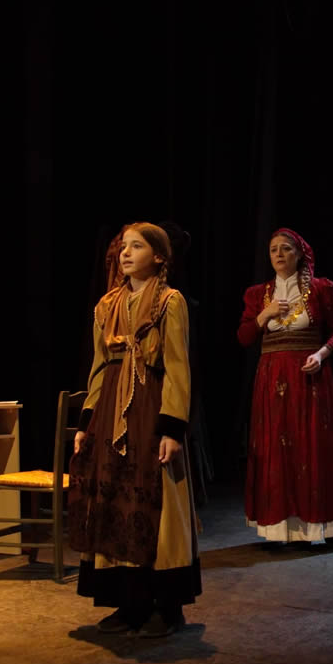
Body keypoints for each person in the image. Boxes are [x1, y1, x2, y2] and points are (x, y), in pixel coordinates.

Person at [67, 222, 200, 637]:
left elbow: (177, 367)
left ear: (158, 256)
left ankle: (167, 607)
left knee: (158, 500)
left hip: (151, 406)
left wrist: (171, 429)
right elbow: (99, 367)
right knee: (113, 500)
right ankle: (128, 603)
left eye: (137, 246)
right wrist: (86, 423)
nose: (126, 253)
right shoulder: (106, 306)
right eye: (124, 246)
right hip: (110, 409)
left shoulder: (170, 301)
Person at [238, 227, 333, 547]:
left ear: (299, 254)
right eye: (273, 249)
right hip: (272, 380)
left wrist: (321, 353)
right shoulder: (258, 294)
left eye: (285, 248)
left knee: (313, 446)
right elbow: (244, 337)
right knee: (277, 449)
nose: (278, 254)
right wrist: (265, 314)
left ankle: (325, 524)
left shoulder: (320, 289)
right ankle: (286, 529)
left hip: (309, 379)